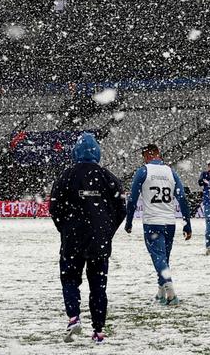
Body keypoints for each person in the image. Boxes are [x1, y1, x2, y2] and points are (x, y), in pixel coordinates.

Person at [49, 132, 125, 343]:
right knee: (98, 286)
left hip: (72, 238)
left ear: (75, 152)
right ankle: (98, 330)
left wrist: (65, 228)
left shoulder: (66, 176)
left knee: (69, 279)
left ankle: (73, 316)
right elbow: (121, 209)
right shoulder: (108, 177)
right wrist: (106, 232)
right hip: (98, 240)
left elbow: (54, 208)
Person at [125, 142, 192, 305]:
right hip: (169, 222)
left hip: (152, 222)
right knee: (164, 258)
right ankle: (161, 293)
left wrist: (128, 221)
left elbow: (132, 199)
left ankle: (171, 293)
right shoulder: (171, 172)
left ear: (147, 155)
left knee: (159, 258)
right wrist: (187, 223)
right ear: (158, 154)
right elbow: (182, 198)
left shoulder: (143, 171)